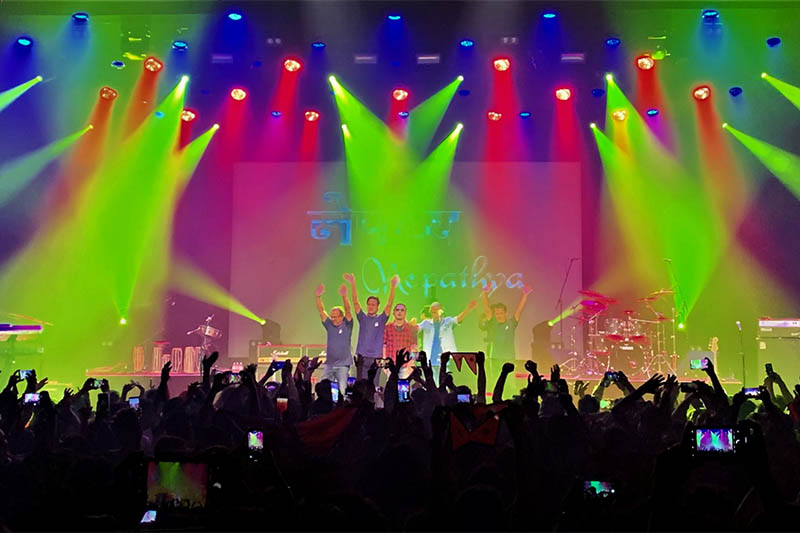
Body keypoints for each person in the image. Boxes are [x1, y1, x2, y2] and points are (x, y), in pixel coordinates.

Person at [343, 272, 399, 380]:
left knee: (374, 386)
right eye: (369, 304)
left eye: (373, 304)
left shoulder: (381, 319)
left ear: (378, 307)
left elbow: (389, 304)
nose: (371, 306)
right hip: (362, 358)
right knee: (361, 386)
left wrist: (393, 287)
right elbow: (355, 301)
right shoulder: (362, 317)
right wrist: (353, 283)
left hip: (376, 358)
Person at [479, 283, 532, 372]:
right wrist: (484, 292)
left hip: (509, 357)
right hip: (494, 357)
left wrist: (525, 294)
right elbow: (486, 308)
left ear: (505, 313)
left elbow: (519, 309)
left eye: (501, 313)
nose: (499, 315)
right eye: (496, 313)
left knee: (509, 381)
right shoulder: (492, 322)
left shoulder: (511, 323)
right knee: (495, 380)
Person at [418, 299, 478, 371]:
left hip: (447, 360)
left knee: (446, 380)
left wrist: (468, 309)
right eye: (433, 312)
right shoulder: (426, 323)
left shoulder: (447, 321)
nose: (436, 314)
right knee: (431, 380)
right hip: (430, 360)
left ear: (441, 311)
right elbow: (415, 328)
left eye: (437, 311)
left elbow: (458, 319)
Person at [315, 282, 353, 394]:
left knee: (342, 390)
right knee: (324, 389)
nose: (333, 319)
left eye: (336, 317)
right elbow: (321, 311)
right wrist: (318, 297)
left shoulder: (347, 325)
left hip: (343, 365)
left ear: (342, 317)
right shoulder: (329, 325)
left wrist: (344, 296)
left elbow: (348, 310)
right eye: (332, 317)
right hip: (330, 364)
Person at [383, 303, 418, 379]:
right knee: (391, 389)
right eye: (397, 310)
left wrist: (412, 362)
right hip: (391, 365)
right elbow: (384, 346)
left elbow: (414, 347)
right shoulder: (387, 328)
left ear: (405, 313)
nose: (399, 312)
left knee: (403, 389)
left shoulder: (411, 328)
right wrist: (385, 363)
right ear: (393, 312)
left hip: (405, 366)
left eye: (402, 310)